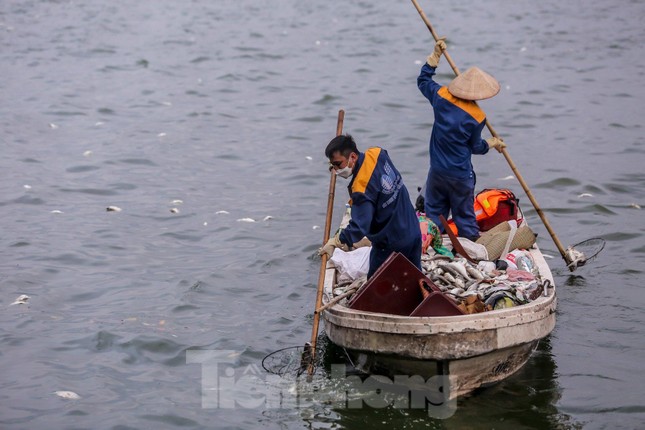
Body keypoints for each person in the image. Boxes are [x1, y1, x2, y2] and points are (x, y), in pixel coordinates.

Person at [417, 39, 506, 242]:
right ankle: (472, 251)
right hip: (460, 176)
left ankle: (430, 246)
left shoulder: (441, 97)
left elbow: (423, 81)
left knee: (434, 216)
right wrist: (491, 144)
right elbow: (476, 147)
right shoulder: (477, 117)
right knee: (465, 218)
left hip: (437, 172)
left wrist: (434, 57)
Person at [319, 134, 422, 278]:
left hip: (391, 244)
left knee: (376, 289)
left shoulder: (361, 188)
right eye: (332, 166)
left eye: (338, 164)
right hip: (413, 230)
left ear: (353, 157)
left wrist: (337, 241)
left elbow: (359, 227)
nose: (336, 170)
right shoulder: (377, 153)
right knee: (415, 278)